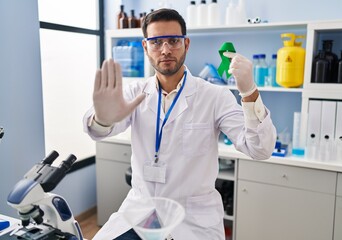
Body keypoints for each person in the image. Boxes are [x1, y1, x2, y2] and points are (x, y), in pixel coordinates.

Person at [83, 8, 276, 240]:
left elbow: (260, 149)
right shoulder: (134, 93)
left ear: (186, 44)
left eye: (173, 41)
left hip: (193, 220)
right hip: (142, 213)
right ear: (145, 47)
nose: (165, 50)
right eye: (156, 42)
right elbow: (98, 131)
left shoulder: (215, 96)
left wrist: (249, 93)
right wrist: (103, 119)